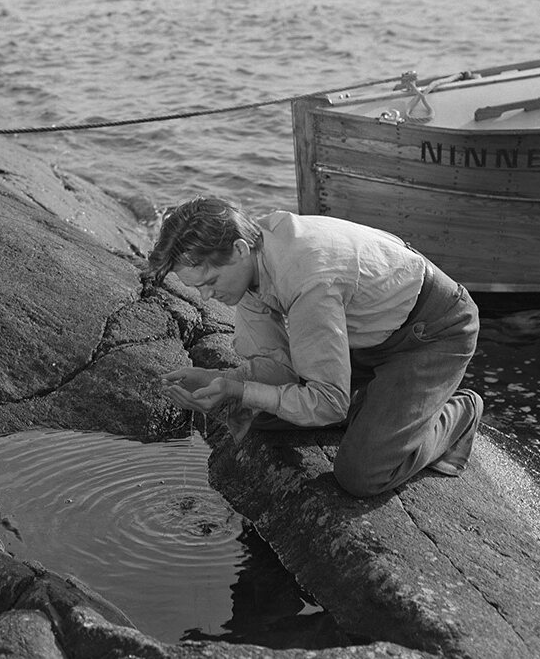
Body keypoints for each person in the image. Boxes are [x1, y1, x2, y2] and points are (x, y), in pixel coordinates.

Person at [149, 197, 482, 497]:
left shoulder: (306, 278)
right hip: (367, 332)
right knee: (255, 412)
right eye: (198, 288)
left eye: (210, 283)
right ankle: (375, 405)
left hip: (432, 332)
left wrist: (239, 388)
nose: (206, 297)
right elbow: (276, 368)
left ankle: (460, 413)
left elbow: (330, 403)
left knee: (361, 475)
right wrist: (217, 381)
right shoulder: (253, 258)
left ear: (238, 249)